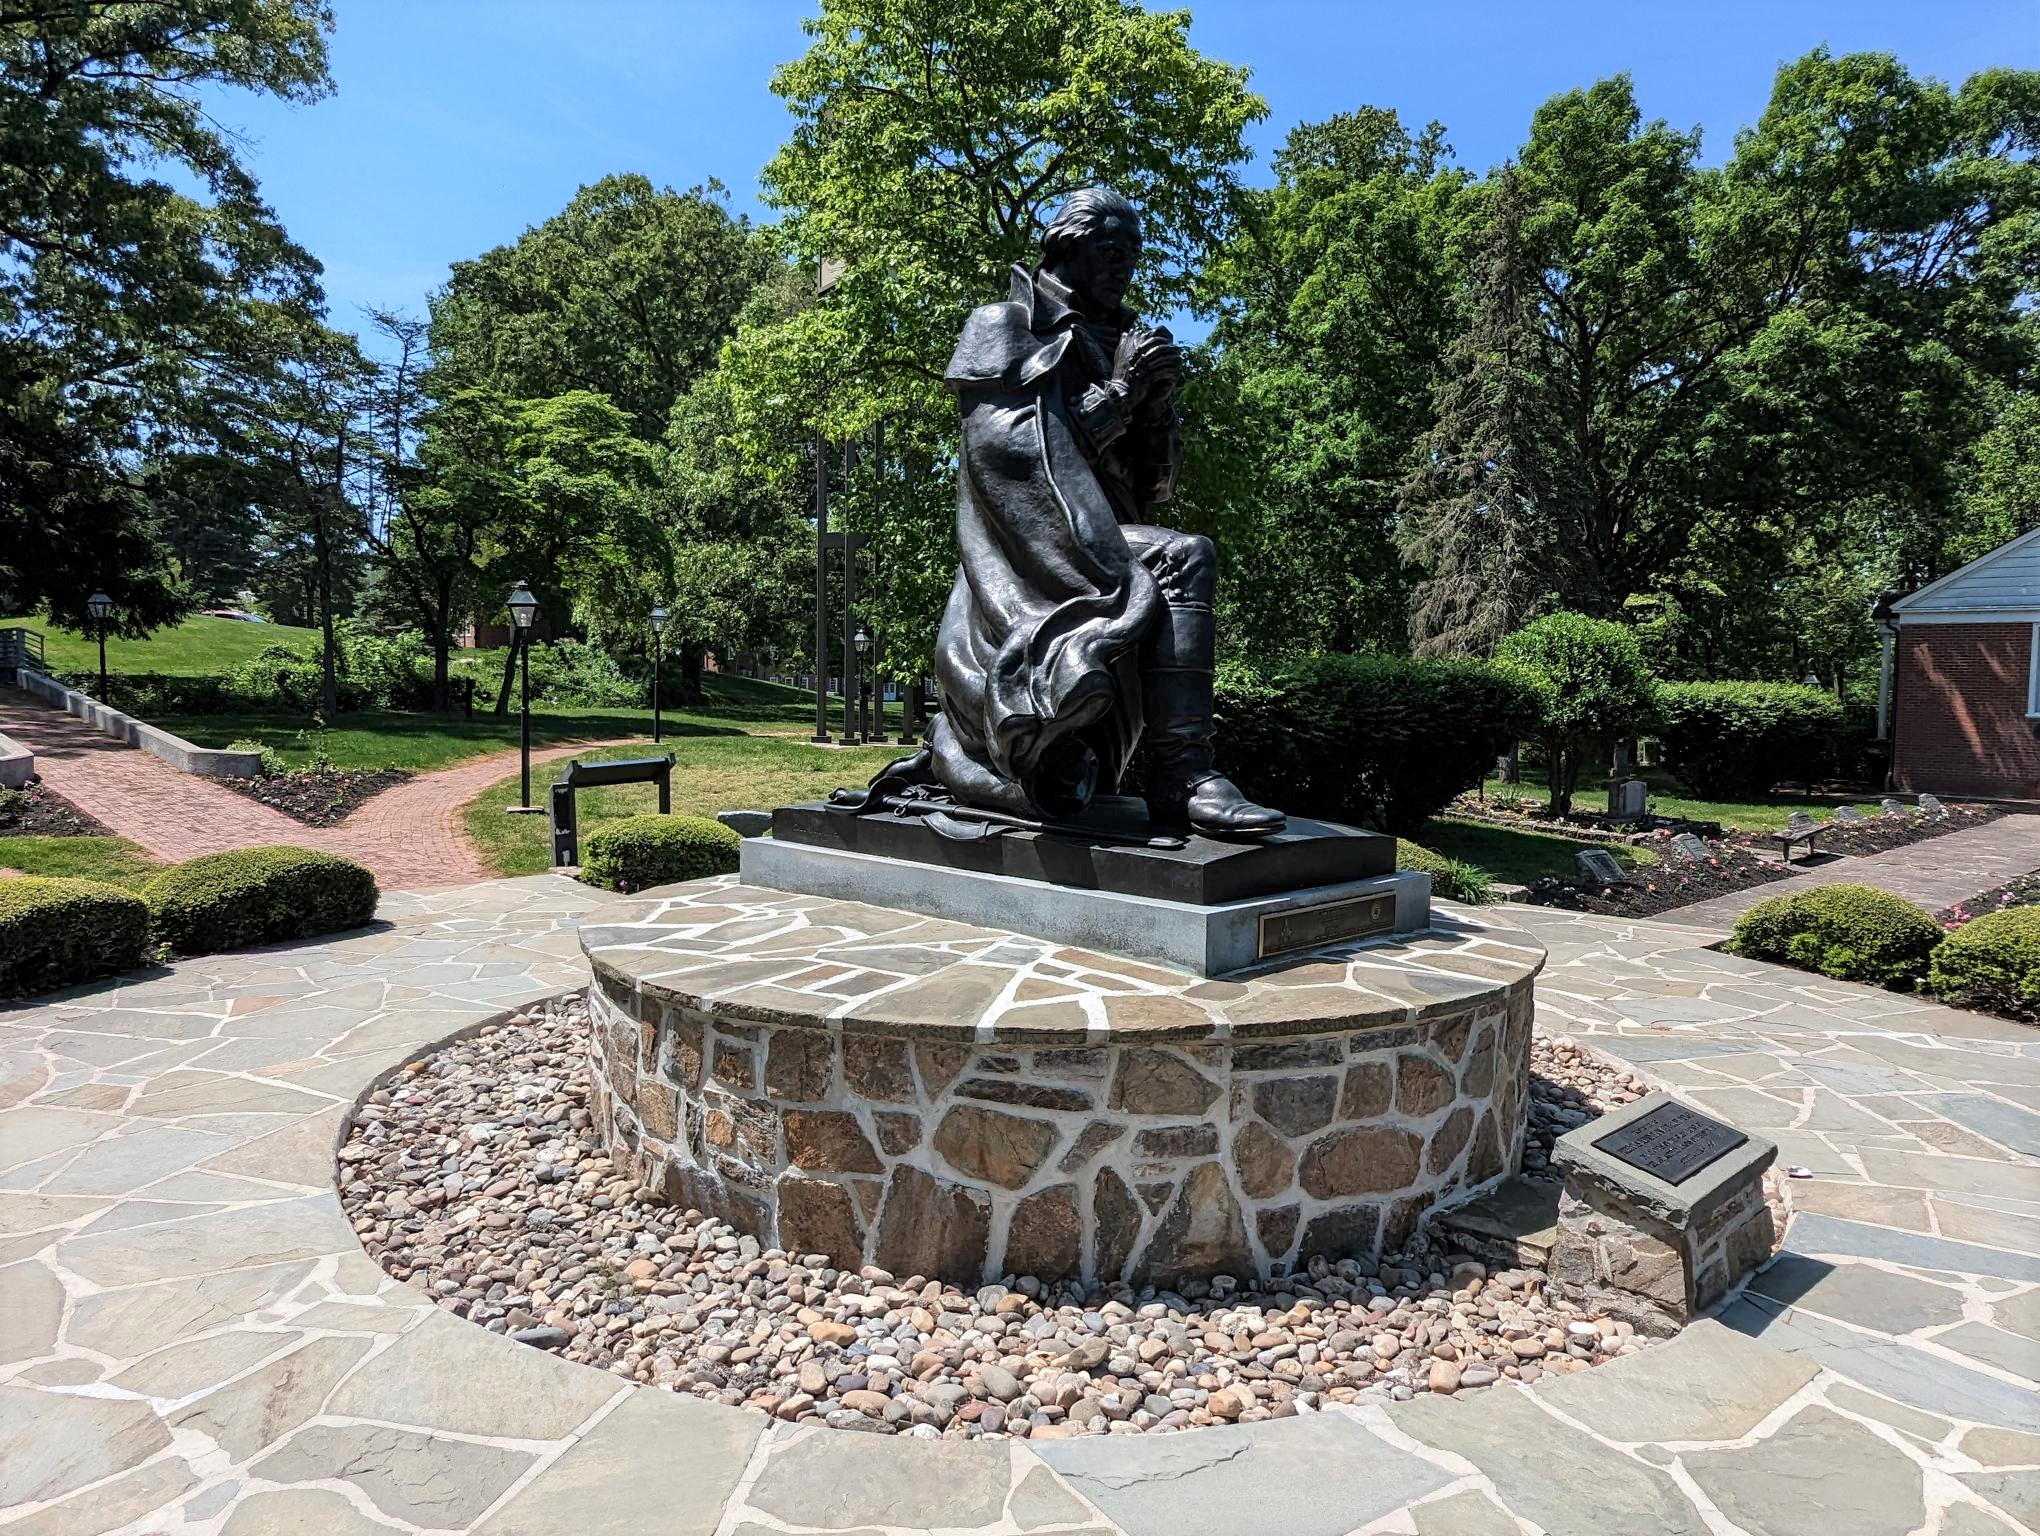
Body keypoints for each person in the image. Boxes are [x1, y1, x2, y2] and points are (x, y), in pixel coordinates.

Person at [918, 187, 1283, 837]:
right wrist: (1124, 389)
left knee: (1173, 548)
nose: (1125, 267)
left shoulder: (1122, 337)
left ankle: (1179, 772)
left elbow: (1156, 484)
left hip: (1111, 539)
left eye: (1133, 255)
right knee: (1184, 555)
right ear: (1068, 248)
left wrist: (1158, 405)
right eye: (1111, 251)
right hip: (1040, 552)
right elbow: (1013, 463)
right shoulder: (1005, 326)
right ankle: (1182, 774)